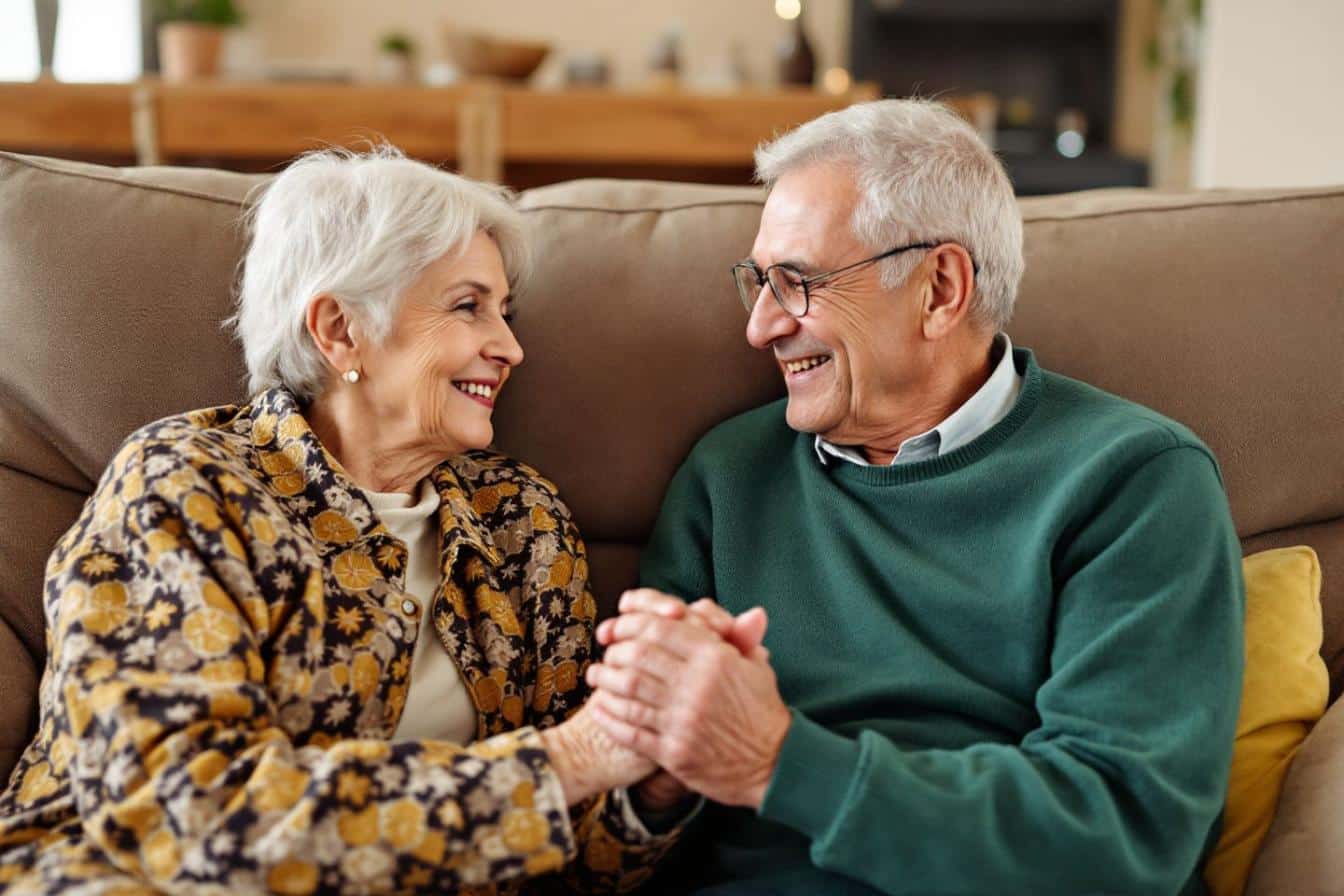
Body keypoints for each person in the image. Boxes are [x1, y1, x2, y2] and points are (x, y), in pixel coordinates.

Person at [586, 99, 1245, 895]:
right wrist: (658, 765)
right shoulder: (731, 475)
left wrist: (778, 762)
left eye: (798, 283)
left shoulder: (1135, 481)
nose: (760, 327)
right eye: (758, 283)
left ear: (939, 288)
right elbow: (623, 816)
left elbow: (1121, 835)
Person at [0, 147, 694, 894]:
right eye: (468, 306)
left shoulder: (523, 524)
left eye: (506, 311)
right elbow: (182, 815)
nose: (511, 347)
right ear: (339, 330)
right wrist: (567, 761)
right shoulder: (186, 486)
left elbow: (571, 858)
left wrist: (652, 781)